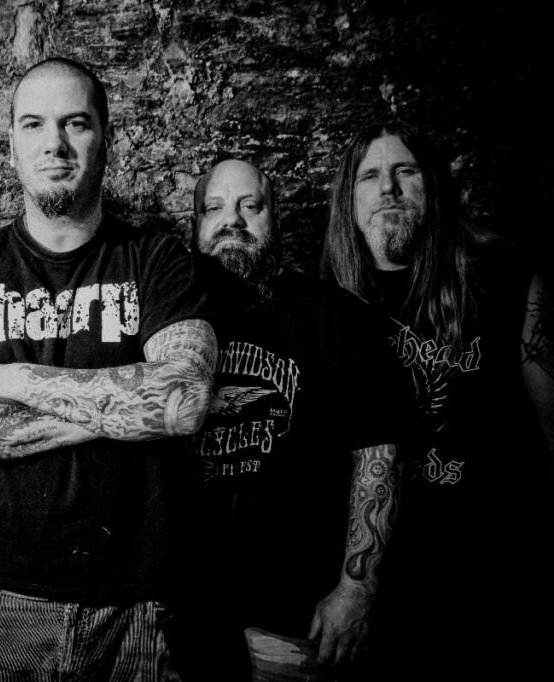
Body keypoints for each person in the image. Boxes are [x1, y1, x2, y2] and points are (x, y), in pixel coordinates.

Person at [0, 57, 216, 681]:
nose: (54, 143)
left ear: (107, 138)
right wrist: (121, 410)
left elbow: (182, 401)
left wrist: (11, 380)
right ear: (12, 144)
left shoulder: (158, 260)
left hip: (137, 603)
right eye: (34, 124)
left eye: (75, 123)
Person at [322, 120, 554, 680]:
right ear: (349, 202)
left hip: (499, 571)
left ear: (432, 186)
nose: (389, 188)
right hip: (388, 586)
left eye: (405, 171)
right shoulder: (328, 306)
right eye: (370, 176)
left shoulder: (505, 280)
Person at [173, 159, 407, 681]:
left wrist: (357, 587)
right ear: (195, 226)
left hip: (300, 621)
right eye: (214, 208)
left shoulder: (332, 316)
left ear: (274, 220)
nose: (232, 220)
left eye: (249, 206)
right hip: (187, 623)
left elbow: (378, 453)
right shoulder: (167, 320)